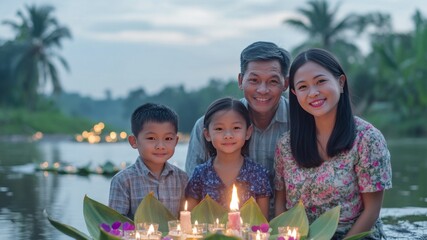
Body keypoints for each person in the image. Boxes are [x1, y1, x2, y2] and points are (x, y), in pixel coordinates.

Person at [274, 48, 392, 239]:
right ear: (295, 93)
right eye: (303, 87)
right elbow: (280, 204)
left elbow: (371, 211)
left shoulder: (367, 139)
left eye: (321, 81)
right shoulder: (286, 144)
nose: (313, 93)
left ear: (340, 82)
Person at [185, 41, 292, 183]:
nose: (262, 90)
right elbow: (191, 187)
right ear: (241, 81)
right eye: (254, 80)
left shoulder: (301, 123)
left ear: (285, 83)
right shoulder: (206, 127)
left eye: (273, 81)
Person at [185, 97, 272, 218]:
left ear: (248, 132)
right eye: (219, 129)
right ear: (207, 134)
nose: (228, 135)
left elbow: (262, 223)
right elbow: (188, 218)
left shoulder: (258, 174)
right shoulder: (200, 174)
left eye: (236, 128)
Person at [108, 103, 188, 219]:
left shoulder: (182, 179)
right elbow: (115, 224)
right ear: (134, 141)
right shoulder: (123, 181)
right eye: (151, 138)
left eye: (168, 139)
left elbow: (186, 220)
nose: (160, 146)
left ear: (176, 141)